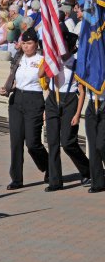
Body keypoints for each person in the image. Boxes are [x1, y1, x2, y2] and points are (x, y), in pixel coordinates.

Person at [0, 28, 48, 190]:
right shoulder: (18, 58)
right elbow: (13, 79)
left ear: (36, 44)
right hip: (17, 99)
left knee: (33, 142)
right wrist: (7, 88)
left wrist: (47, 107)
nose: (26, 46)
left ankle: (48, 166)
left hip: (34, 99)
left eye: (29, 43)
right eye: (24, 43)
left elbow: (47, 86)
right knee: (16, 141)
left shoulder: (42, 60)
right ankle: (16, 178)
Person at [41, 32, 89, 191]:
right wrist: (48, 58)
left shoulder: (76, 64)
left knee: (68, 142)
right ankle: (55, 181)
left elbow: (81, 92)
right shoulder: (54, 62)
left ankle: (87, 170)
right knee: (53, 142)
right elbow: (40, 75)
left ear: (70, 48)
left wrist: (77, 114)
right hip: (53, 100)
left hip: (70, 101)